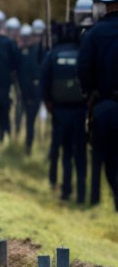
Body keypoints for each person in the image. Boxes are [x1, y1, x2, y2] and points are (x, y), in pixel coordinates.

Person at [79, 0, 118, 211]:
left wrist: (90, 93)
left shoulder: (93, 35)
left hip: (105, 108)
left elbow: (84, 71)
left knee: (109, 160)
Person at [41, 23, 87, 202]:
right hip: (81, 110)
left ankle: (66, 190)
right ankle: (82, 193)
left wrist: (48, 104)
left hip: (59, 111)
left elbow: (45, 82)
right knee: (80, 152)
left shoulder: (53, 55)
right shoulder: (82, 52)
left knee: (66, 152)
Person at [16, 23, 45, 155]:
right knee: (27, 120)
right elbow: (22, 76)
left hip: (37, 93)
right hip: (26, 93)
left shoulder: (40, 51)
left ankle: (30, 146)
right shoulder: (22, 52)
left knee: (31, 121)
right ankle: (26, 145)